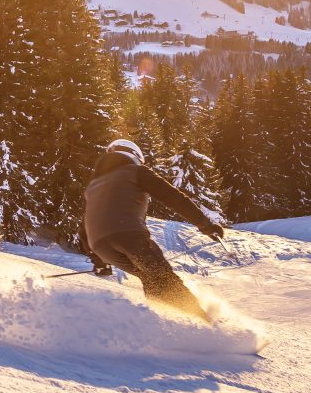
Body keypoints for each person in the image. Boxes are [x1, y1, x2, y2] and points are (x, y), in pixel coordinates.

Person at [80, 138, 225, 322]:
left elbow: (84, 227)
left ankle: (164, 324)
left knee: (150, 278)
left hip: (101, 246)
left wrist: (99, 261)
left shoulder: (93, 186)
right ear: (134, 156)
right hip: (130, 238)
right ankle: (203, 325)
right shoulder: (136, 171)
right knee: (163, 278)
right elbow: (173, 197)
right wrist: (205, 224)